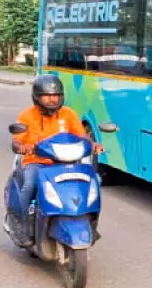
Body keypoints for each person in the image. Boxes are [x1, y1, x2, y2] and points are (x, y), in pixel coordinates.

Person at [6, 74, 103, 245]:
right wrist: (22, 147)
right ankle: (20, 224)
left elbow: (81, 136)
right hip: (37, 162)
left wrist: (93, 144)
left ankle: (90, 224)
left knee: (94, 182)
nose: (52, 100)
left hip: (67, 161)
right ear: (37, 96)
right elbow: (17, 140)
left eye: (56, 95)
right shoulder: (27, 115)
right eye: (47, 95)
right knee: (30, 183)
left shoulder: (68, 114)